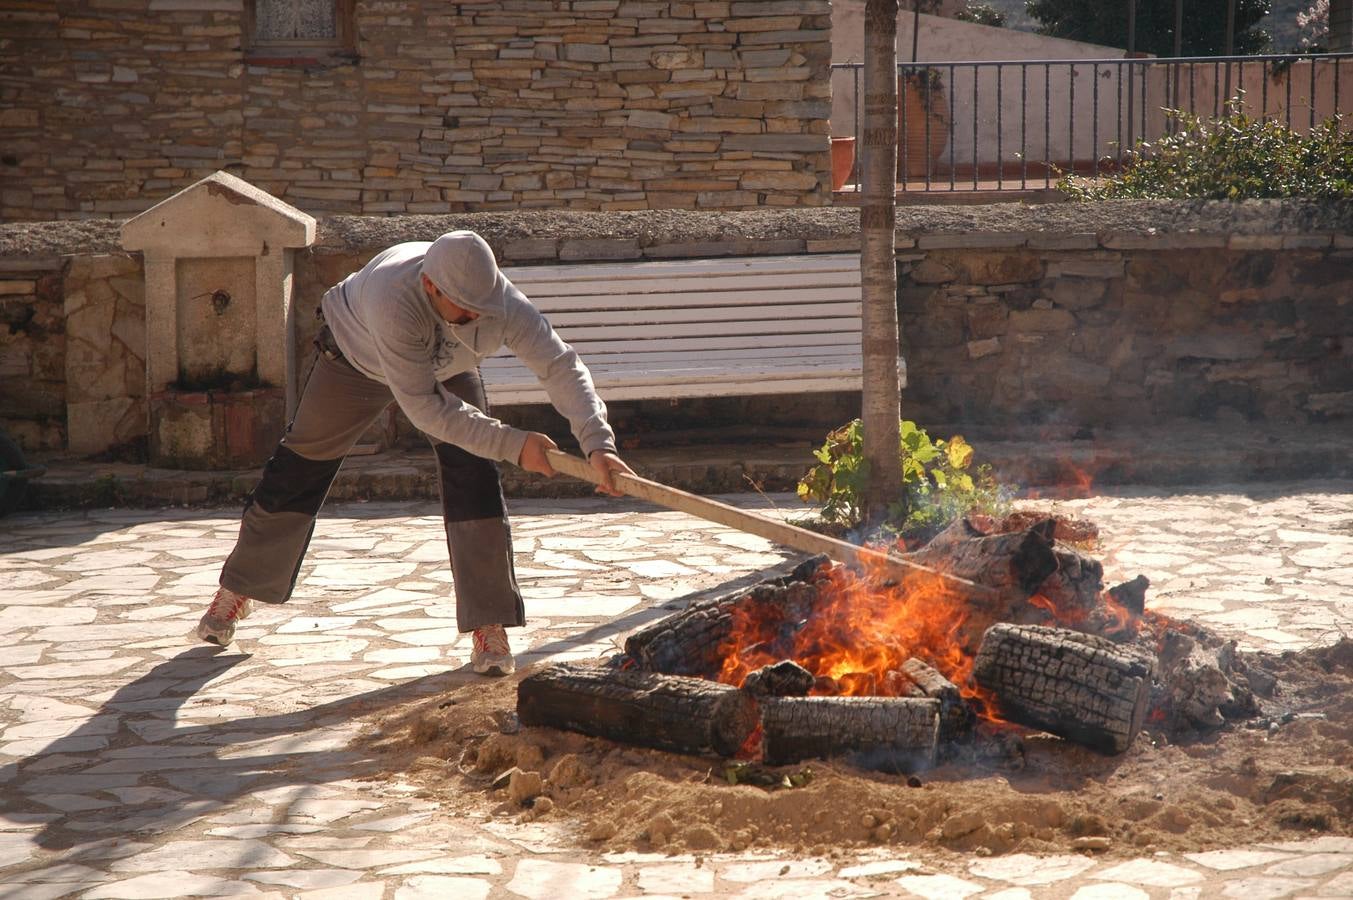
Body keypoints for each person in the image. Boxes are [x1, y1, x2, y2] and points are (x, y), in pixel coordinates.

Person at [195, 230, 633, 676]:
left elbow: (559, 366)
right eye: (461, 308)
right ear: (430, 286)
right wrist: (514, 445)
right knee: (300, 468)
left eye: (479, 308)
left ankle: (489, 623)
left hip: (445, 370)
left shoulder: (500, 302)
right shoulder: (394, 296)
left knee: (473, 470)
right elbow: (424, 408)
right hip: (355, 358)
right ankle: (237, 589)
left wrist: (598, 444)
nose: (471, 315)